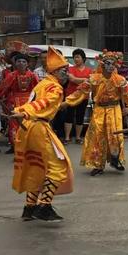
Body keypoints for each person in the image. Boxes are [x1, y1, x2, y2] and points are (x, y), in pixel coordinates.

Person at [10, 46, 89, 221]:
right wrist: (25, 111)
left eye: (67, 70)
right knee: (58, 167)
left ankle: (29, 208)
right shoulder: (55, 88)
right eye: (64, 70)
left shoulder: (43, 84)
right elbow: (45, 103)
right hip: (38, 126)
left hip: (29, 126)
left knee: (36, 167)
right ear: (54, 71)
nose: (66, 74)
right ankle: (43, 206)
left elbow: (58, 104)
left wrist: (82, 91)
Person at [80, 51, 128, 176]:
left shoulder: (120, 80)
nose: (111, 66)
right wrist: (67, 102)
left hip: (114, 109)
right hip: (99, 110)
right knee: (98, 136)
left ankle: (116, 160)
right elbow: (80, 92)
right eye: (108, 63)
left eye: (113, 64)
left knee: (115, 135)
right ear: (102, 64)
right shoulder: (94, 79)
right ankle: (98, 164)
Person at [0, 51, 38, 153]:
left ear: (27, 64)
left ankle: (28, 149)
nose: (21, 63)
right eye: (19, 61)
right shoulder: (11, 75)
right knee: (14, 126)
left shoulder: (33, 75)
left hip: (29, 104)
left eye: (23, 61)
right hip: (14, 103)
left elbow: (38, 90)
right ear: (15, 63)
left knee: (29, 125)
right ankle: (17, 149)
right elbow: (1, 89)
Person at [62, 49, 92, 144]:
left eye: (78, 57)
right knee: (69, 116)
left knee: (80, 116)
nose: (76, 59)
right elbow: (72, 79)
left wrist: (81, 80)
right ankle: (67, 137)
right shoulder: (70, 69)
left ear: (83, 58)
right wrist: (85, 79)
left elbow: (91, 82)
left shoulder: (89, 70)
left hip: (84, 96)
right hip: (71, 96)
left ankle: (78, 137)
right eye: (74, 57)